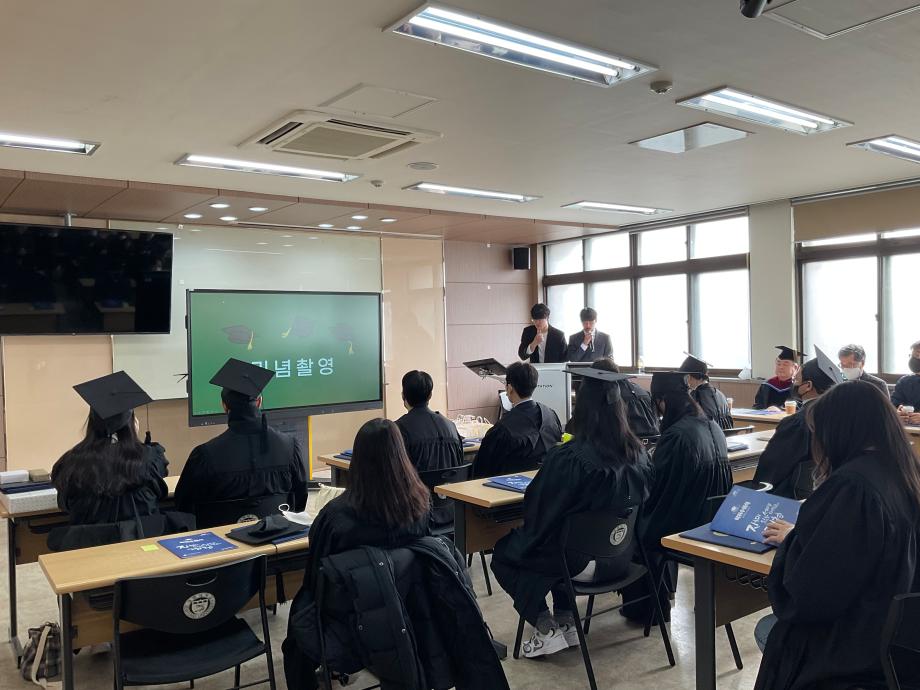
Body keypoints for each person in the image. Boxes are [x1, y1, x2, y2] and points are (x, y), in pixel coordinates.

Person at [283, 419, 508, 690]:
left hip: (352, 626)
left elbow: (316, 580)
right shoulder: (420, 504)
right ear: (402, 455)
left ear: (357, 460)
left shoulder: (335, 516)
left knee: (298, 622)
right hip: (411, 618)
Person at [753, 380, 920, 690]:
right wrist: (804, 535)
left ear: (837, 431)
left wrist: (796, 542)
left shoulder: (853, 488)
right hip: (897, 640)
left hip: (851, 649)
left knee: (773, 632)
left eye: (816, 433)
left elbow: (808, 596)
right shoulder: (905, 472)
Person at [491, 366, 654, 658]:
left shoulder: (570, 458)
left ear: (582, 408)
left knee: (506, 553)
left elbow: (539, 509)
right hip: (621, 558)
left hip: (578, 564)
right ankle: (566, 620)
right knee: (563, 538)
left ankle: (545, 627)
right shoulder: (639, 454)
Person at [621, 370, 731, 622]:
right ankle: (664, 592)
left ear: (663, 401)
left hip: (685, 522)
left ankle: (647, 610)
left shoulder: (677, 435)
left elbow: (657, 486)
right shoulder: (712, 426)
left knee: (633, 524)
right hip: (711, 519)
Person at [50, 371, 176, 549]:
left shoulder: (70, 463)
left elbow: (65, 506)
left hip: (87, 554)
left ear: (92, 423)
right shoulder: (149, 459)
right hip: (142, 552)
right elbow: (159, 493)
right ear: (132, 423)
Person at [175, 358, 308, 516]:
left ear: (224, 406)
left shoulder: (205, 455)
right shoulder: (289, 446)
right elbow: (299, 501)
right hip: (278, 530)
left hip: (223, 531)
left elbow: (184, 505)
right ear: (259, 402)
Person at [753, 347, 845, 499]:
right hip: (831, 493)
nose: (794, 383)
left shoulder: (799, 422)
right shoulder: (841, 417)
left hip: (794, 498)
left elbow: (772, 468)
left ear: (808, 386)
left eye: (797, 380)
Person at [472, 361, 562, 478]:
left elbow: (481, 469)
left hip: (508, 486)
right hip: (548, 482)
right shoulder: (551, 415)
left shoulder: (503, 427)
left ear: (509, 388)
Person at [565, 358, 659, 441]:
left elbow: (577, 428)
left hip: (621, 448)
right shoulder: (644, 392)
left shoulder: (609, 395)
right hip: (650, 448)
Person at [395, 370, 463, 473]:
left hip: (417, 484)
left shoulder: (397, 429)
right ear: (430, 395)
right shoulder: (451, 426)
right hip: (451, 484)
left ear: (403, 395)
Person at [680, 354, 733, 430]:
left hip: (705, 437)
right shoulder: (721, 395)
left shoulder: (692, 398)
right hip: (724, 437)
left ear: (688, 377)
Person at [893, 340, 920, 424]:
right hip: (907, 427)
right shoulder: (904, 381)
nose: (914, 359)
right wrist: (897, 413)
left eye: (917, 355)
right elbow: (893, 405)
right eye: (911, 356)